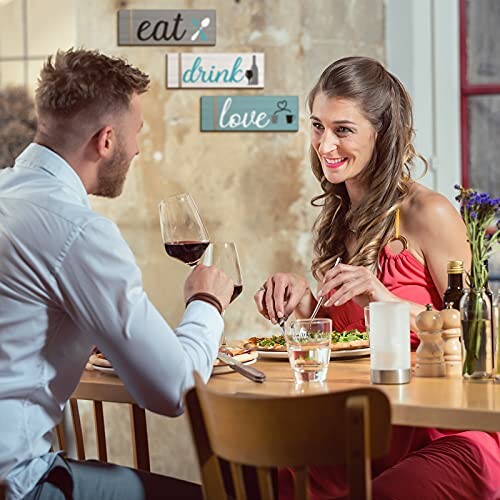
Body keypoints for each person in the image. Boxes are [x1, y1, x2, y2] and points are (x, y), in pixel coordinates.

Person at [255, 56, 500, 499]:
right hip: (371, 429)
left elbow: (481, 337)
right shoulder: (342, 219)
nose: (324, 144)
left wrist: (387, 299)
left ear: (381, 134)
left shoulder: (429, 213)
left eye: (343, 130)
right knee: (262, 476)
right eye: (317, 126)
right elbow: (355, 336)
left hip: (445, 434)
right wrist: (305, 304)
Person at [0, 49, 233, 500]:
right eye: (137, 132)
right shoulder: (78, 231)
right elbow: (173, 389)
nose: (139, 146)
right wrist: (206, 304)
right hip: (18, 483)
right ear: (106, 140)